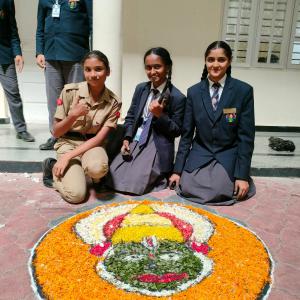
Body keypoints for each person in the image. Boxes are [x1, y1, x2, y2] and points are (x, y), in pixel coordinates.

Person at [169, 41, 256, 205]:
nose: (215, 65)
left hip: (227, 151)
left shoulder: (243, 91)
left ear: (229, 61)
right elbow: (187, 135)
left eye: (221, 60)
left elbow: (246, 137)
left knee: (222, 189)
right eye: (210, 60)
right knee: (187, 186)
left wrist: (242, 176)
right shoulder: (194, 92)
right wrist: (177, 170)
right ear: (205, 61)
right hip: (202, 151)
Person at [42, 50, 121, 204]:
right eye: (88, 70)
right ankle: (52, 169)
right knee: (76, 195)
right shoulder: (70, 92)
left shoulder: (113, 102)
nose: (93, 74)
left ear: (108, 72)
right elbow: (56, 132)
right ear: (83, 71)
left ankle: (94, 177)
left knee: (97, 168)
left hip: (92, 145)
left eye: (98, 69)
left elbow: (99, 138)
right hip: (67, 143)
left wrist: (67, 158)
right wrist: (73, 115)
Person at [106, 47, 186, 195]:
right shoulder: (141, 89)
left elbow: (176, 130)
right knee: (112, 175)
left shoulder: (177, 97)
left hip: (156, 143)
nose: (152, 71)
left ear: (167, 67)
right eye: (148, 67)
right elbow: (131, 116)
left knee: (136, 182)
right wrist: (126, 138)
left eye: (157, 67)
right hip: (137, 136)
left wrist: (159, 115)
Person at [36, 0, 92, 150]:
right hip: (51, 54)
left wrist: (91, 55)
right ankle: (55, 135)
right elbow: (40, 26)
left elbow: (92, 23)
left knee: (74, 99)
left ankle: (73, 136)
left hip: (76, 54)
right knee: (53, 100)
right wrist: (39, 51)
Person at [0, 0, 35, 142]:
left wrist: (17, 53)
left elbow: (12, 28)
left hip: (4, 54)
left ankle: (21, 130)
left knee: (13, 92)